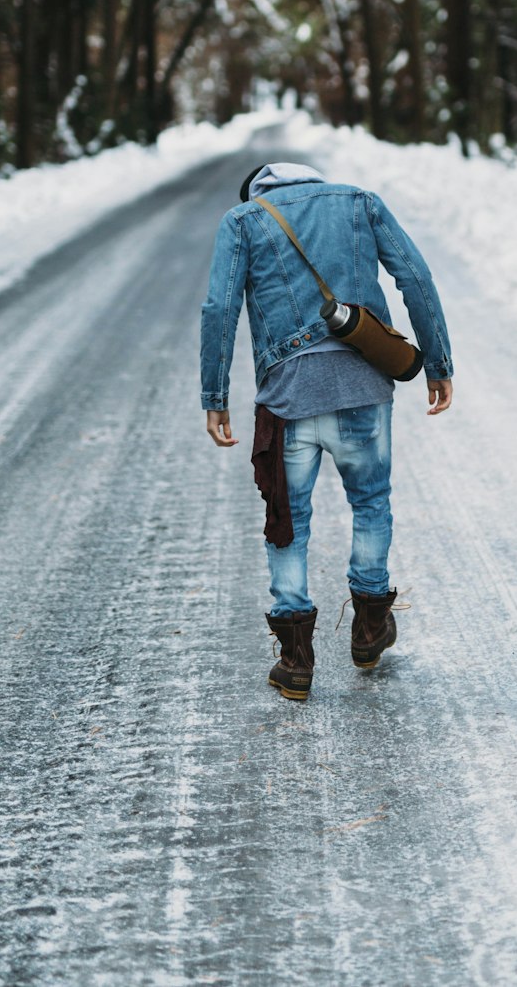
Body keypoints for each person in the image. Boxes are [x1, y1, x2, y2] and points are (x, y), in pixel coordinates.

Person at [200, 161, 453, 700]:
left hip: (288, 398)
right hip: (363, 388)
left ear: (260, 191)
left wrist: (215, 396)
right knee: (370, 504)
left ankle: (295, 659)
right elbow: (415, 276)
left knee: (288, 519)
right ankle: (368, 627)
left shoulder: (243, 220)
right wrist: (437, 363)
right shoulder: (360, 201)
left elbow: (220, 306)